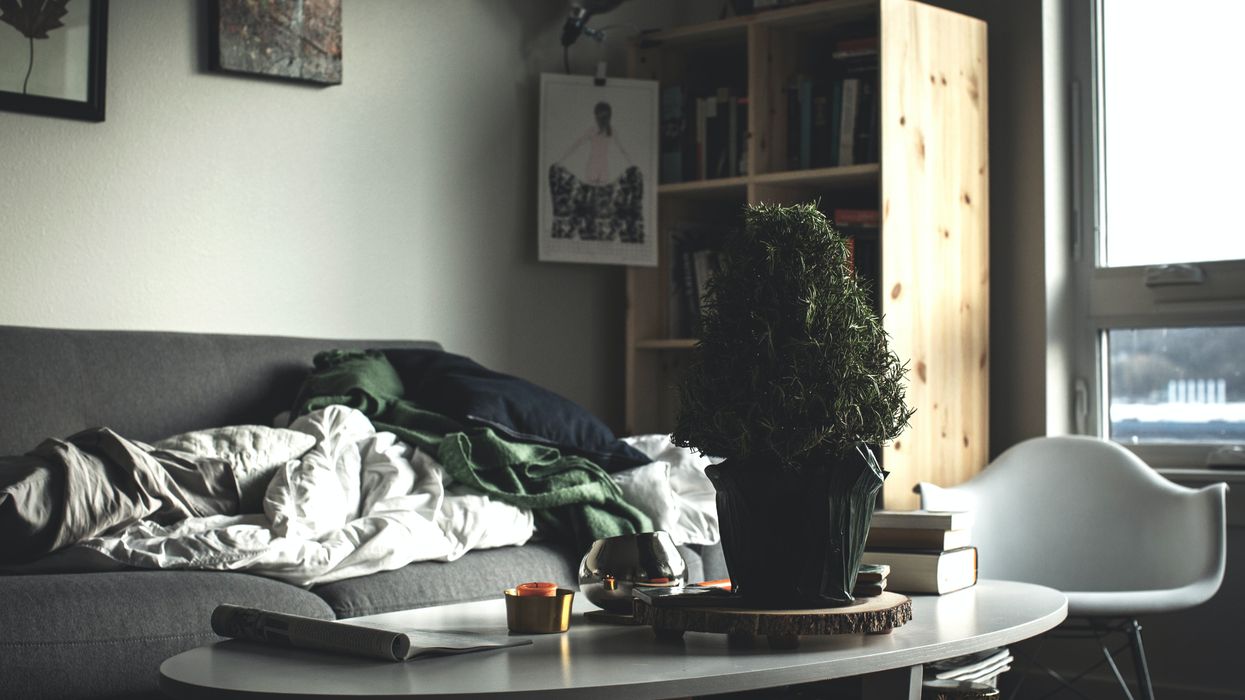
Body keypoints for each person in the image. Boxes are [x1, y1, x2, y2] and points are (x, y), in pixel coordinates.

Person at [556, 101, 634, 184]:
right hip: (596, 167)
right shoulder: (595, 131)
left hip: (599, 168)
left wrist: (632, 165)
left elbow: (576, 145)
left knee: (598, 194)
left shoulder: (608, 131)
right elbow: (576, 145)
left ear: (597, 116)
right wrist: (561, 160)